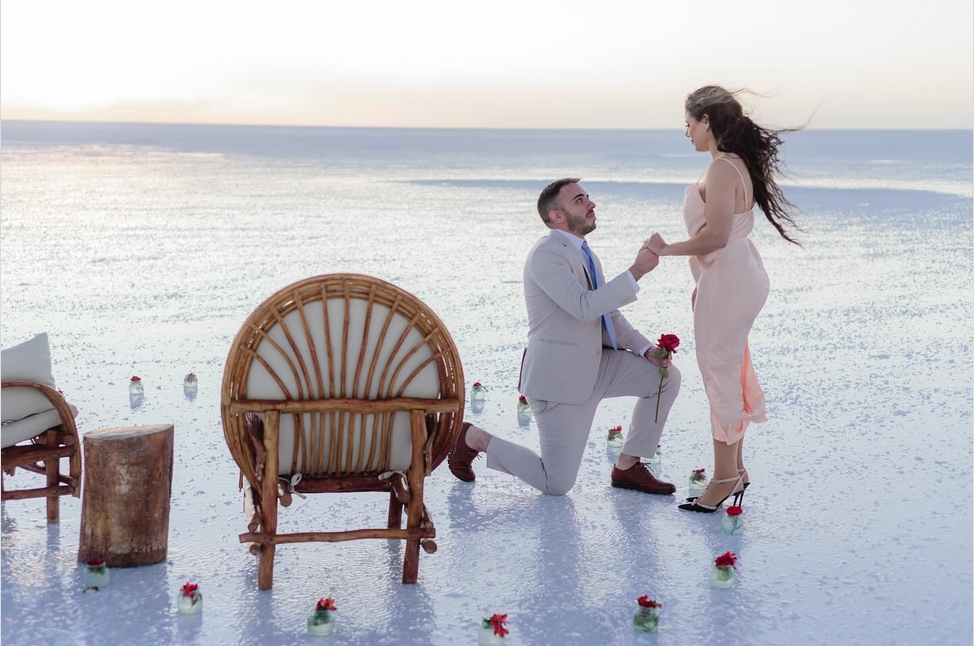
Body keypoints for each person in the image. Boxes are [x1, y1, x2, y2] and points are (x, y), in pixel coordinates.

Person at [448, 178, 681, 496]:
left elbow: (607, 312)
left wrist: (645, 349)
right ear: (556, 216)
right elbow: (583, 307)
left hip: (598, 366)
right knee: (556, 483)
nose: (591, 204)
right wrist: (636, 270)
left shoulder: (585, 254)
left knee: (664, 378)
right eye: (579, 200)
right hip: (559, 381)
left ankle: (627, 466)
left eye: (588, 197)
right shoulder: (546, 255)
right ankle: (473, 438)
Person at [644, 85, 803, 513]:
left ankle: (724, 477)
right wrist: (701, 282)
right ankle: (736, 469)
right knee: (729, 370)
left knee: (720, 376)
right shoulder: (734, 165)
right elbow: (721, 239)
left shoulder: (720, 170)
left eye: (689, 124)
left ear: (707, 121)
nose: (687, 133)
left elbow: (715, 237)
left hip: (730, 280)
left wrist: (663, 249)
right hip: (736, 276)